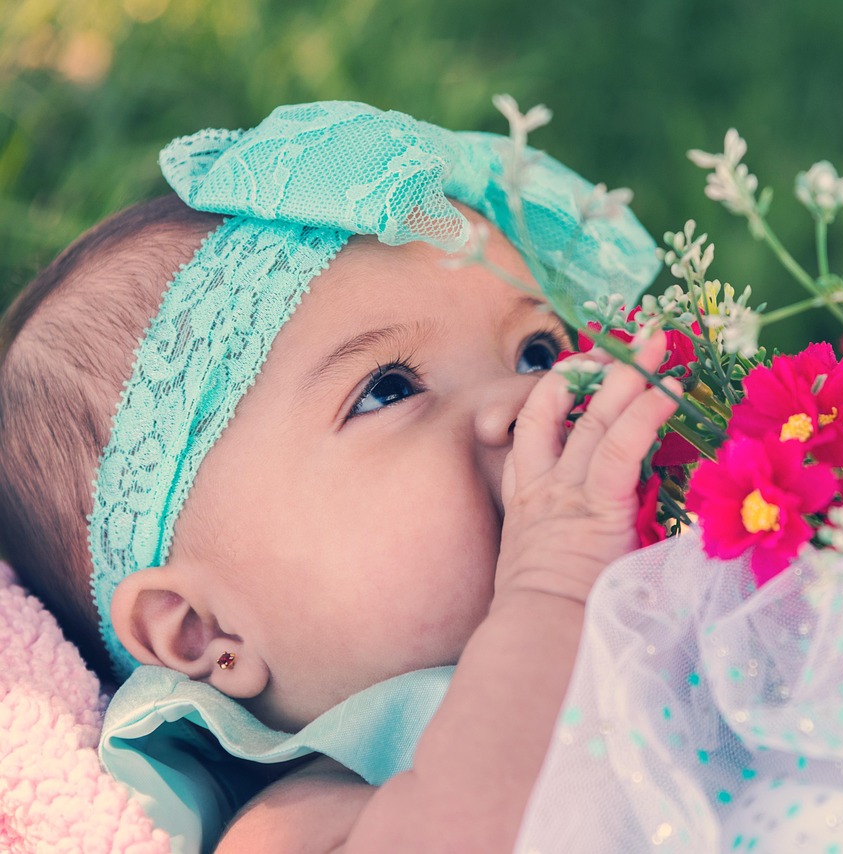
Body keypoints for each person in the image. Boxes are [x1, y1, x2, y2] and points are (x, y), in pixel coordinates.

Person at [0, 99, 682, 852]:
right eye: (388, 390)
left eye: (539, 353)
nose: (523, 402)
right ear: (205, 632)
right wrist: (549, 590)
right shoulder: (308, 815)